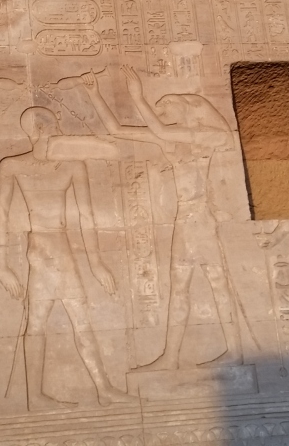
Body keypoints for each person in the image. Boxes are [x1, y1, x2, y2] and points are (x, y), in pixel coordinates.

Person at [82, 66, 243, 371]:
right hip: (184, 222)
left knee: (217, 284)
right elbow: (117, 130)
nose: (162, 112)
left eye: (167, 105)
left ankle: (236, 351)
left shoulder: (210, 135)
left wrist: (138, 97)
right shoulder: (172, 140)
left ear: (187, 107)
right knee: (179, 288)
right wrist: (94, 94)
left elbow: (161, 130)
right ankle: (171, 356)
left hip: (203, 221)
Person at [0, 107, 134, 409]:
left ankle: (103, 389)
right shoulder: (13, 165)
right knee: (39, 322)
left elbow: (86, 216)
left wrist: (96, 263)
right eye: (54, 127)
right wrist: (1, 266)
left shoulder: (72, 166)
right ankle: (37, 395)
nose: (58, 132)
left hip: (59, 247)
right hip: (41, 249)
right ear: (40, 130)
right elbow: (0, 217)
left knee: (78, 319)